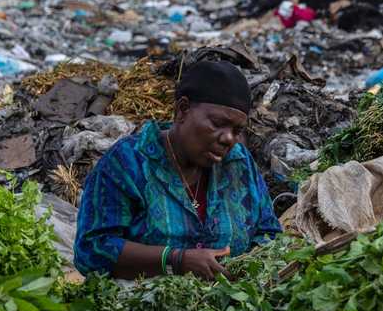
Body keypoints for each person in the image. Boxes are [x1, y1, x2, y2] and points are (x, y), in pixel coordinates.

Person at [74, 60, 281, 280]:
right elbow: (91, 250)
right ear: (183, 110)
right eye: (218, 123)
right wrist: (175, 260)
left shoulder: (239, 164)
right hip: (141, 305)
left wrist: (246, 269)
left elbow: (269, 232)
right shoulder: (128, 163)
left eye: (237, 130)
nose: (228, 138)